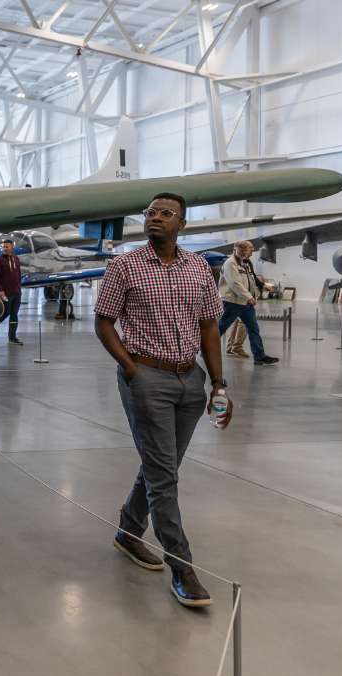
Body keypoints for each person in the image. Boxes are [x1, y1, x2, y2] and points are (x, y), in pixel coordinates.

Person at [94, 192, 232, 608]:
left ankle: (128, 529)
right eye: (151, 213)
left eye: (166, 213)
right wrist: (131, 370)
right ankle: (182, 566)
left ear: (182, 224)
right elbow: (104, 322)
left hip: (190, 379)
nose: (155, 218)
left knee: (162, 466)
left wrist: (219, 384)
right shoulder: (125, 266)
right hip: (146, 376)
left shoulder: (199, 268)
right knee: (164, 477)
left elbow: (210, 326)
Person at [218, 240, 279, 366]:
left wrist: (262, 286)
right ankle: (201, 349)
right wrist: (248, 297)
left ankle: (259, 356)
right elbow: (235, 283)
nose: (252, 251)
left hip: (246, 303)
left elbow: (252, 277)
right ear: (241, 249)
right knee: (221, 328)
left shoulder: (245, 262)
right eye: (250, 248)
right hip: (233, 302)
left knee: (253, 329)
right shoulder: (230, 263)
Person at [0, 239, 23, 344]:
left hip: (17, 292)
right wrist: (0, 291)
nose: (5, 248)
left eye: (7, 246)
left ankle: (12, 337)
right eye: (4, 246)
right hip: (6, 292)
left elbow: (18, 274)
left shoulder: (16, 259)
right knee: (5, 313)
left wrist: (19, 287)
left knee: (14, 314)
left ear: (12, 247)